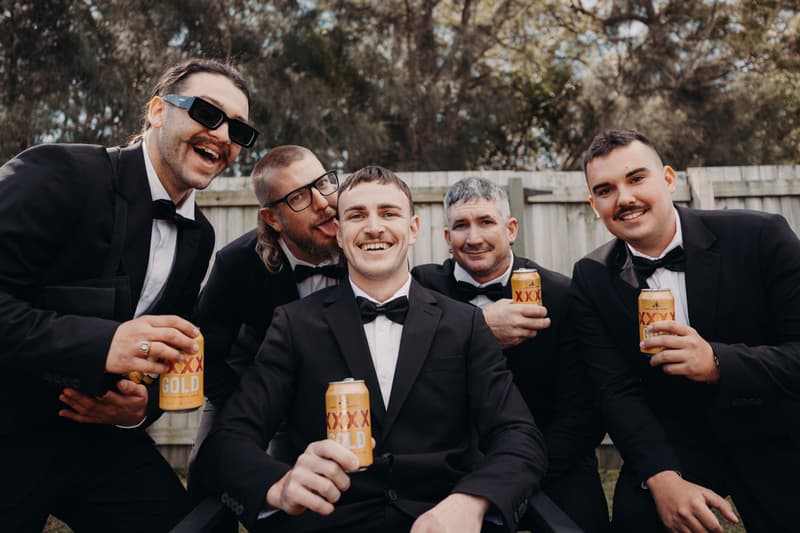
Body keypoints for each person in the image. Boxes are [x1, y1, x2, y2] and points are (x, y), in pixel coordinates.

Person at [194, 166, 546, 533]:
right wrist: (279, 486)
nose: (374, 227)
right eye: (357, 215)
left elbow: (520, 437)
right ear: (341, 236)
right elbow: (228, 442)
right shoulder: (294, 325)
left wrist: (472, 502)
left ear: (413, 229)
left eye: (389, 213)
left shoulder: (466, 324)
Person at [0, 58, 256, 532]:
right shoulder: (57, 172)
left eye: (239, 130)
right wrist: (105, 343)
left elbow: (164, 350)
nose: (223, 135)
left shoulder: (197, 235)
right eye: (206, 112)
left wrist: (138, 410)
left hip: (97, 439)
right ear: (158, 110)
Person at [572, 129, 800, 532]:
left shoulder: (762, 237)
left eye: (636, 178)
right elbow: (615, 390)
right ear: (594, 205)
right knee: (636, 518)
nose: (624, 198)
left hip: (776, 427)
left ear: (669, 179)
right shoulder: (591, 277)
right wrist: (662, 478)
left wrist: (717, 362)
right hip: (680, 439)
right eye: (606, 190)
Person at [411, 176, 608, 532]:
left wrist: (517, 472)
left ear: (511, 228)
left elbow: (584, 414)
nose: (473, 238)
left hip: (551, 458)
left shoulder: (562, 294)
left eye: (486, 222)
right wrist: (478, 327)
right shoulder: (420, 289)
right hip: (451, 462)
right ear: (446, 237)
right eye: (460, 226)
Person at [188, 145, 342, 470]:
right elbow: (203, 353)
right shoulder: (236, 264)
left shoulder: (365, 244)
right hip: (252, 374)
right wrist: (246, 404)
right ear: (273, 219)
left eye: (324, 183)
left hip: (341, 384)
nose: (323, 203)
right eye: (299, 197)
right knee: (208, 464)